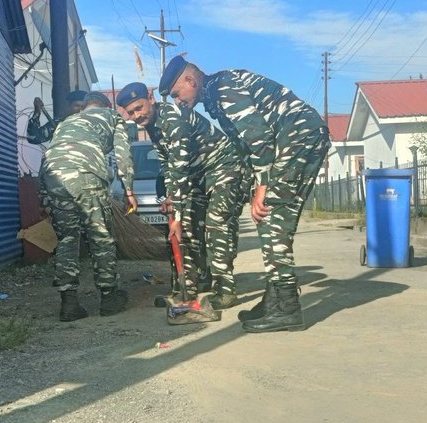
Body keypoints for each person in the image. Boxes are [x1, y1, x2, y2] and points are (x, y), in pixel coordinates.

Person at [159, 56, 330, 333]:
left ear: (191, 81)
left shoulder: (223, 87)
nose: (177, 102)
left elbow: (256, 137)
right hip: (292, 140)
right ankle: (276, 298)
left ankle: (286, 307)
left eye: (177, 94)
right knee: (269, 221)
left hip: (295, 136)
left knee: (271, 217)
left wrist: (261, 186)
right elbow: (244, 143)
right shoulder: (215, 96)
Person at [118, 82, 249, 313]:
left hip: (223, 169)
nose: (136, 116)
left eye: (139, 108)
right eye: (131, 113)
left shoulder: (173, 119)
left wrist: (176, 213)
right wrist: (171, 198)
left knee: (216, 225)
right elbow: (167, 166)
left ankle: (226, 290)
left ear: (151, 98)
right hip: (197, 176)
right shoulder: (153, 126)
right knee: (187, 228)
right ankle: (187, 288)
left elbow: (180, 165)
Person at [38, 92, 138, 321]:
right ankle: (109, 297)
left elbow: (50, 153)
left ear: (83, 107)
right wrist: (129, 190)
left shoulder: (67, 121)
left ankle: (69, 304)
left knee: (67, 239)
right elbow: (123, 154)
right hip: (85, 174)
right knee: (100, 237)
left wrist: (42, 195)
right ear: (105, 106)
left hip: (53, 176)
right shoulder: (112, 116)